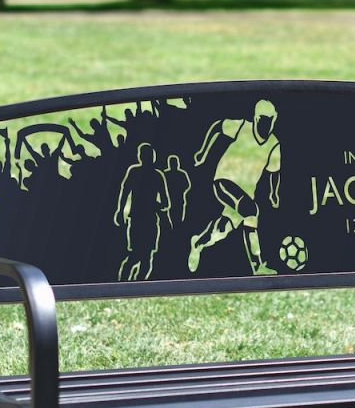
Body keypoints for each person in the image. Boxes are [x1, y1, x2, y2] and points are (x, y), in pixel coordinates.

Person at [187, 99, 280, 276]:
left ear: (274, 119)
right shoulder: (241, 126)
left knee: (226, 226)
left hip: (244, 194)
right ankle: (257, 264)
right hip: (223, 182)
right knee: (252, 212)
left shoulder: (274, 144)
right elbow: (217, 127)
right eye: (262, 118)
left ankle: (199, 243)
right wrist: (202, 153)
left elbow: (273, 172)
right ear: (255, 117)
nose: (265, 124)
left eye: (269, 119)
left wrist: (274, 194)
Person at [114, 142, 170, 281]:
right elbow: (125, 192)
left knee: (146, 257)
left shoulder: (157, 175)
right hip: (137, 219)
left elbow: (165, 202)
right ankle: (124, 284)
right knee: (136, 255)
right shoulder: (135, 172)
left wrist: (156, 206)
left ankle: (137, 284)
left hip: (150, 220)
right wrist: (120, 211)